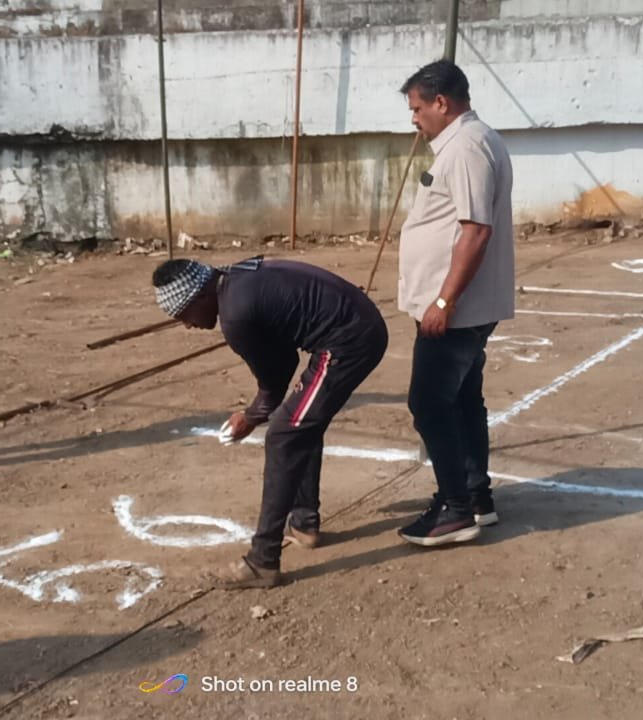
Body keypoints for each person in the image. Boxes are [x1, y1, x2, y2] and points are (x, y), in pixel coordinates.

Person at [152, 257, 388, 588]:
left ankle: (262, 561)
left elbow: (274, 378)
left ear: (201, 296)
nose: (188, 325)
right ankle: (304, 523)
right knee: (299, 422)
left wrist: (251, 416)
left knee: (284, 436)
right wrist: (260, 410)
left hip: (348, 341)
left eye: (184, 315)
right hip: (354, 326)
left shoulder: (235, 315)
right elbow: (285, 361)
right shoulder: (234, 281)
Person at [394, 59, 514, 546]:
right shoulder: (467, 142)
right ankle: (476, 496)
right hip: (458, 305)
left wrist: (444, 301)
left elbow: (476, 230)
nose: (414, 119)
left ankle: (455, 508)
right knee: (462, 400)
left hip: (456, 309)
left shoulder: (465, 147)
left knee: (429, 403)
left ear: (441, 102)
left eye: (417, 108)